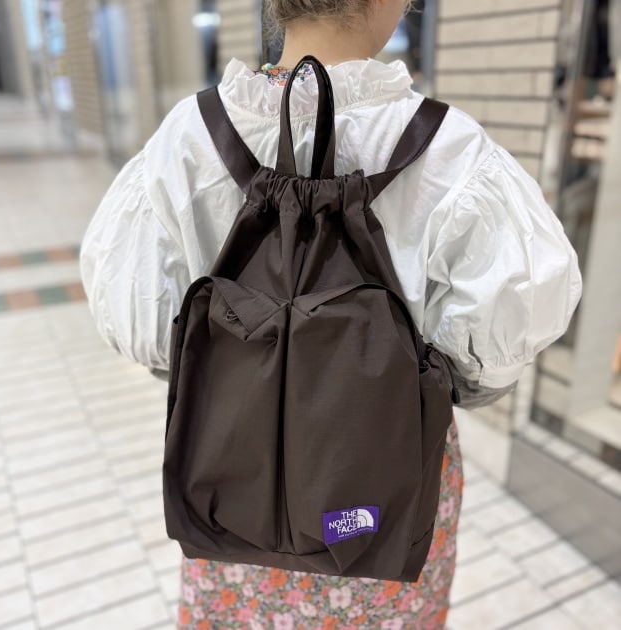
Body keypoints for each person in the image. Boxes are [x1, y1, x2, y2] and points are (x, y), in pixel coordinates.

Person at [80, 0, 582, 627]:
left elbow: (152, 335)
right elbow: (494, 354)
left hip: (232, 484)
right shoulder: (453, 151)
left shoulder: (188, 135)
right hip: (372, 498)